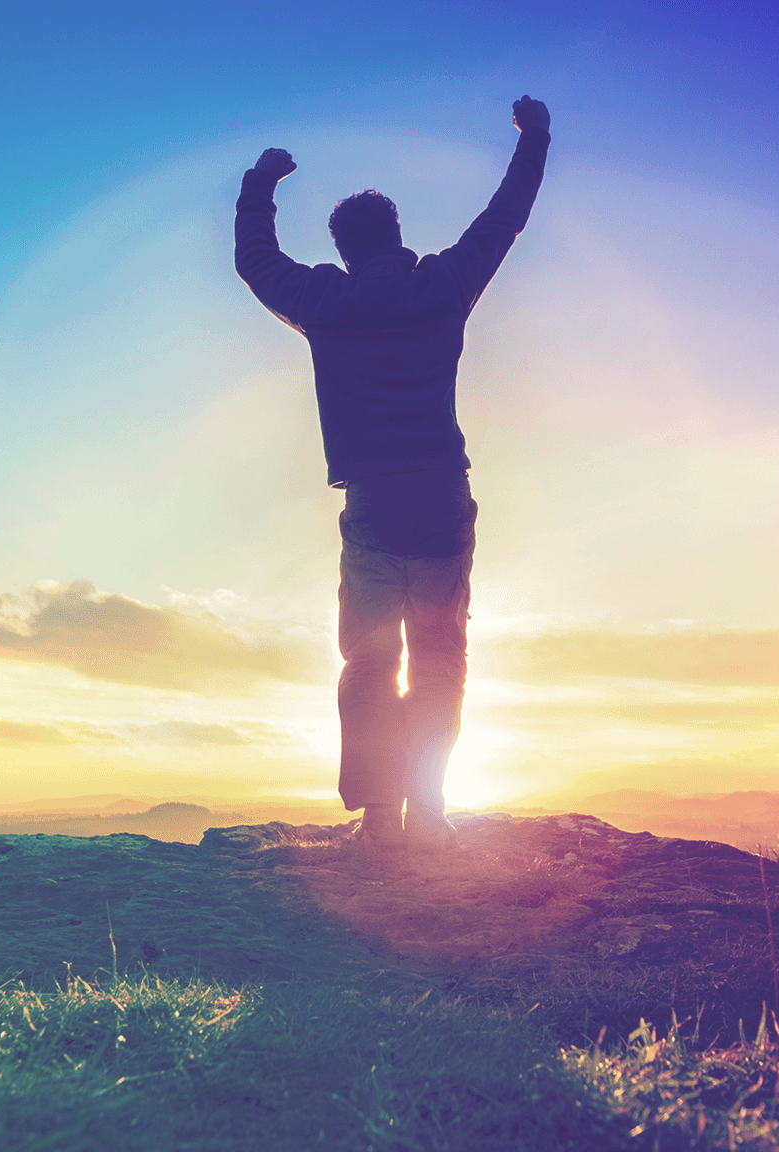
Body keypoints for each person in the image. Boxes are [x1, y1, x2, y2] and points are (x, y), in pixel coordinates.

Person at [235, 96, 550, 850]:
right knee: (440, 652)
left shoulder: (324, 299)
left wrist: (262, 182)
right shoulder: (440, 285)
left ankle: (380, 818)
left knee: (371, 656)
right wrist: (534, 136)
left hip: (372, 502)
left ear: (343, 248)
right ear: (398, 236)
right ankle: (429, 814)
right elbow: (504, 217)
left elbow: (254, 261)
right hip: (441, 494)